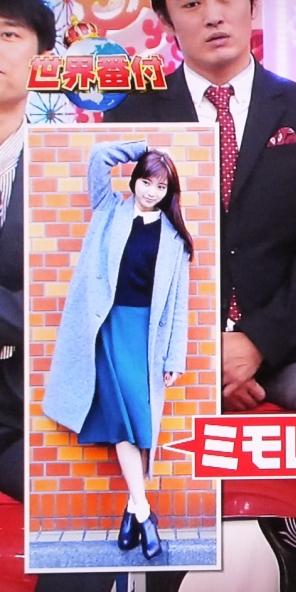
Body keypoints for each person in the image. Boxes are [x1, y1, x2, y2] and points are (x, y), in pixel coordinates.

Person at [104, 0, 296, 587]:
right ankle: (162, 557)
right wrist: (203, 357)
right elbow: (118, 255)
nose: (213, 16)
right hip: (171, 351)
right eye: (191, 4)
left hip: (286, 343)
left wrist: (257, 343)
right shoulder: (132, 120)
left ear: (253, 8)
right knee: (117, 402)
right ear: (167, 21)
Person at [0, 1, 120, 589]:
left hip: (27, 403)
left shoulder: (75, 163)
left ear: (43, 58)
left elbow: (82, 290)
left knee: (92, 517)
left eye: (7, 35)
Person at [43, 141, 192, 561]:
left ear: (169, 192)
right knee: (127, 421)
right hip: (106, 328)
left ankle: (132, 510)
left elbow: (177, 304)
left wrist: (173, 357)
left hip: (145, 336)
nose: (151, 191)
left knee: (141, 423)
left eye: (160, 186)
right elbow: (98, 158)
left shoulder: (174, 239)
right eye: (146, 181)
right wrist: (143, 148)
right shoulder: (109, 209)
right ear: (135, 180)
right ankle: (144, 513)